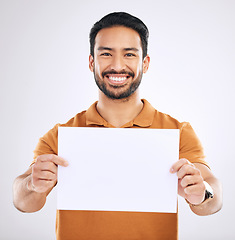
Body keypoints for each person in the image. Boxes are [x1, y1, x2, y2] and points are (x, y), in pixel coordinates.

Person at [13, 12, 222, 240]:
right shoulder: (62, 134)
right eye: (106, 54)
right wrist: (32, 186)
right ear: (92, 62)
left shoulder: (177, 131)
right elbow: (23, 202)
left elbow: (214, 198)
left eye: (129, 54)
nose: (117, 65)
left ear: (145, 62)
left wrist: (202, 194)